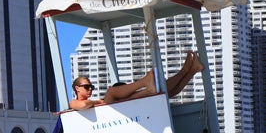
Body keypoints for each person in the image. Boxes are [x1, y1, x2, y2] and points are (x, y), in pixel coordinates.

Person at [68, 52, 203, 111]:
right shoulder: (73, 102)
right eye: (87, 87)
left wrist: (98, 102)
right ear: (77, 88)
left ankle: (190, 70)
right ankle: (146, 82)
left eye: (91, 86)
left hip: (119, 112)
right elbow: (83, 105)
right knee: (111, 92)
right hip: (113, 113)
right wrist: (98, 102)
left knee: (165, 92)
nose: (90, 89)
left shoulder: (92, 100)